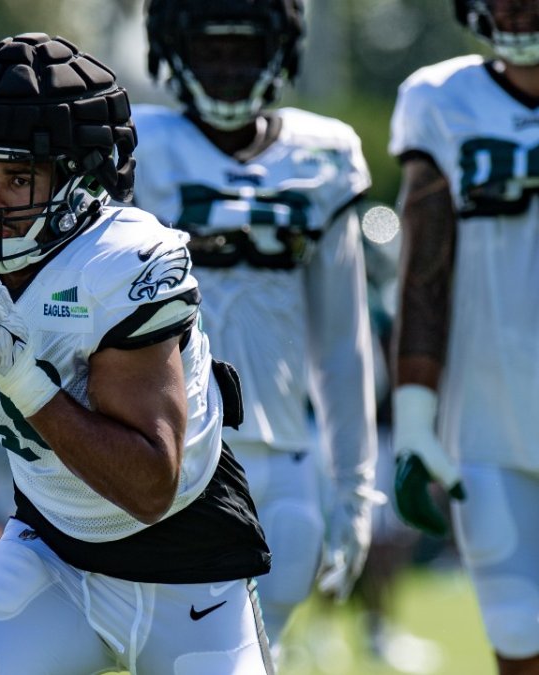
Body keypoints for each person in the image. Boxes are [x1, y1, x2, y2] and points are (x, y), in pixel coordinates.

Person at [0, 33, 273, 674]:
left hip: (188, 564)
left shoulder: (119, 265)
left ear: (79, 181)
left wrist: (29, 387)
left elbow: (150, 485)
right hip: (54, 551)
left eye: (18, 177)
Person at [134, 0, 380, 651]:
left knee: (257, 653)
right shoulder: (136, 149)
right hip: (176, 455)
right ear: (173, 51)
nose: (226, 67)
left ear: (280, 51)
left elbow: (342, 341)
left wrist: (356, 486)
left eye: (242, 48)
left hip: (288, 456)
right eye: (210, 49)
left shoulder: (321, 155)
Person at [390, 1, 539, 672]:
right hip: (486, 425)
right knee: (516, 636)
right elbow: (424, 263)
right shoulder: (441, 98)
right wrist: (415, 413)